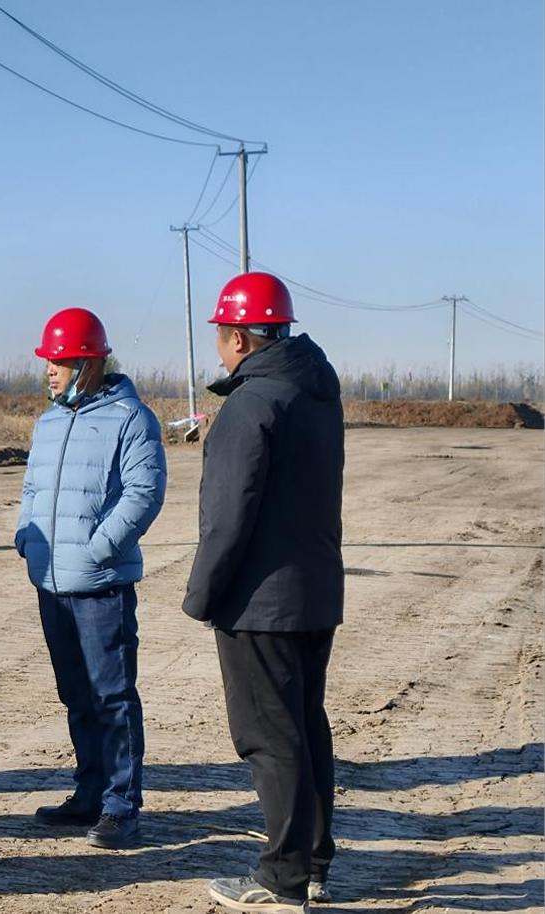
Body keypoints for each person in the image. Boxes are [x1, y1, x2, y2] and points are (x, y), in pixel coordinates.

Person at [183, 273, 343, 913]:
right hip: (314, 593)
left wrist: (203, 595)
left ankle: (283, 879)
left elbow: (228, 517)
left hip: (260, 605)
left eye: (222, 336)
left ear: (240, 338)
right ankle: (314, 863)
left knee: (270, 738)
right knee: (304, 727)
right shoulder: (315, 392)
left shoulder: (250, 405)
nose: (220, 349)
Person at [15, 307, 167, 850]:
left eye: (58, 362)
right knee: (76, 695)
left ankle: (122, 807)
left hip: (101, 587)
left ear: (88, 363)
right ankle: (89, 793)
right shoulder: (49, 422)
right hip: (52, 584)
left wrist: (100, 548)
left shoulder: (131, 419)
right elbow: (32, 489)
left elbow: (144, 493)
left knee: (112, 697)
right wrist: (26, 537)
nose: (49, 371)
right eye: (49, 362)